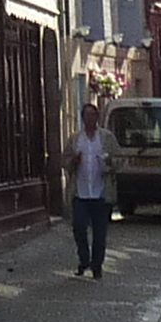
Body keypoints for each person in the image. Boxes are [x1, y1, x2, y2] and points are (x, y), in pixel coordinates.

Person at [63, 110, 112, 278]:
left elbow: (118, 159)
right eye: (87, 115)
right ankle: (84, 259)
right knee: (79, 228)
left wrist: (109, 164)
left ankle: (97, 265)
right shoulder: (76, 140)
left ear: (97, 117)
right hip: (80, 193)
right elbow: (65, 162)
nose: (90, 118)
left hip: (100, 193)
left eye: (93, 115)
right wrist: (73, 162)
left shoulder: (106, 138)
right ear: (82, 118)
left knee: (99, 234)